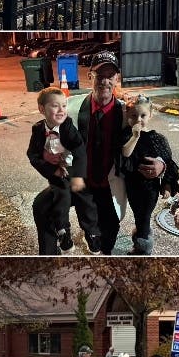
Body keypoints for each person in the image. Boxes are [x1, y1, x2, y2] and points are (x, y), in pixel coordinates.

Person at [74, 52, 164, 255]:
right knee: (47, 208)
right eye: (100, 75)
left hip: (111, 184)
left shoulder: (127, 113)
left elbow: (150, 142)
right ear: (90, 76)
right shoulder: (73, 108)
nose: (105, 81)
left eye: (110, 75)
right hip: (83, 184)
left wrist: (161, 164)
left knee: (108, 237)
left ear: (117, 79)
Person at [28, 86, 86, 254]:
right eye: (56, 106)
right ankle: (53, 249)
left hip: (85, 175)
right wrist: (51, 168)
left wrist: (78, 176)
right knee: (43, 204)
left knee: (77, 198)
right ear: (42, 109)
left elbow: (79, 150)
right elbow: (33, 155)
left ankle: (89, 235)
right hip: (61, 174)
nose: (61, 110)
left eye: (64, 106)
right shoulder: (39, 128)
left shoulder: (68, 125)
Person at [119, 96, 179, 255]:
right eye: (133, 115)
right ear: (127, 115)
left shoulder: (157, 139)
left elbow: (168, 162)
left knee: (144, 217)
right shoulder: (127, 135)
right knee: (139, 217)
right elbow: (125, 153)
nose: (138, 119)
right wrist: (135, 136)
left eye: (143, 115)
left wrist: (167, 185)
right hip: (132, 186)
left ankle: (143, 249)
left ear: (150, 115)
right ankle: (141, 241)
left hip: (150, 188)